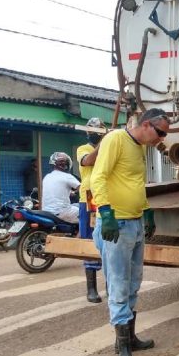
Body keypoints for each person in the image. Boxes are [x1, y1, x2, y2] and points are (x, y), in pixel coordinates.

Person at [91, 108, 169, 356]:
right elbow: (98, 176)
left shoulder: (141, 147)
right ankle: (121, 348)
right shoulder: (115, 139)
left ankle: (130, 338)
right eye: (160, 132)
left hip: (134, 223)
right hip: (117, 225)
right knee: (118, 285)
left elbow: (136, 182)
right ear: (146, 125)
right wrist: (105, 212)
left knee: (134, 283)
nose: (161, 139)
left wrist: (147, 212)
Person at [77, 117, 107, 303]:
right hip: (89, 199)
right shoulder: (84, 149)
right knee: (89, 241)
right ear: (88, 133)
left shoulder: (107, 147)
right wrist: (104, 144)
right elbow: (87, 161)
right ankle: (91, 288)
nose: (96, 134)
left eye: (99, 131)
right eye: (93, 131)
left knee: (109, 242)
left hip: (106, 197)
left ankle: (111, 287)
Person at [41, 152, 80, 223]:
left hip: (46, 212)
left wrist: (71, 193)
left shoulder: (47, 177)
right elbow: (82, 189)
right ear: (66, 164)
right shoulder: (67, 176)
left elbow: (56, 191)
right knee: (86, 214)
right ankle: (80, 234)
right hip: (62, 212)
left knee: (75, 205)